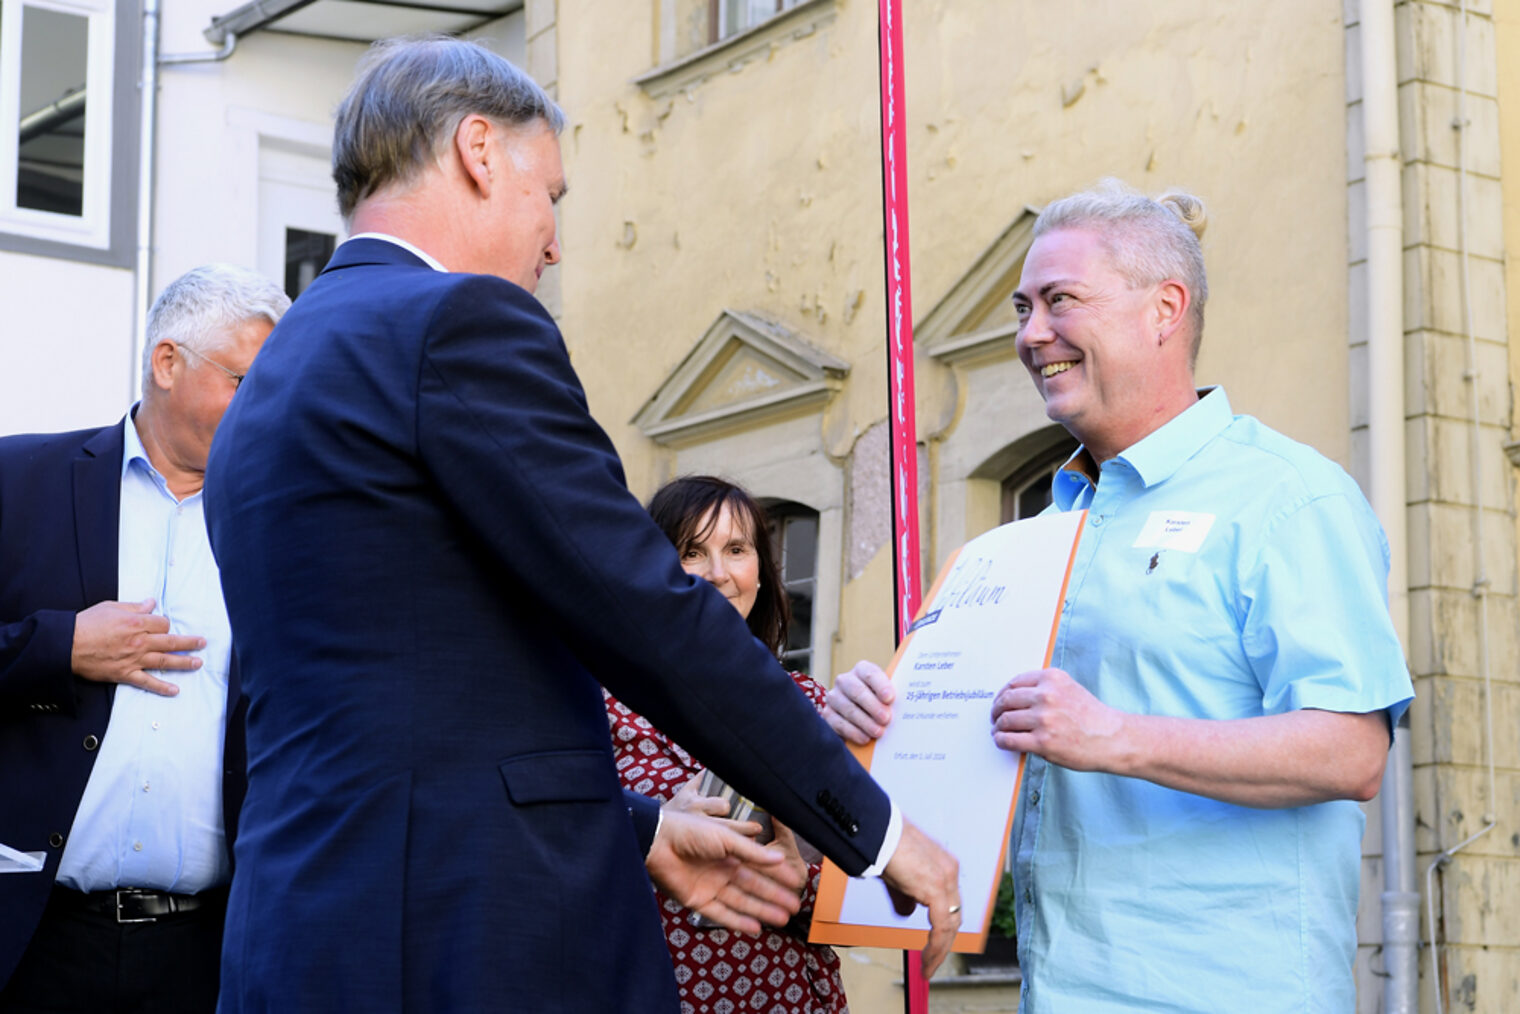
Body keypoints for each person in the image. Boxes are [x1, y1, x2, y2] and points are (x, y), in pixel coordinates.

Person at [202, 36, 959, 1014]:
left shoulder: (274, 380)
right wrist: (880, 830)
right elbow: (647, 608)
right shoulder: (457, 324)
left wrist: (640, 826)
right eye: (547, 195)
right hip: (463, 942)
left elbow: (393, 714)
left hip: (308, 936)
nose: (553, 241)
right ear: (478, 151)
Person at [825, 181, 1415, 1013]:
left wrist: (1116, 737)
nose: (1032, 335)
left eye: (1060, 301)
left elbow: (1352, 752)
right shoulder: (1023, 539)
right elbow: (982, 754)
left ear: (1165, 309)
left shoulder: (1289, 499)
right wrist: (876, 723)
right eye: (1023, 307)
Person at [0, 264, 289, 1013]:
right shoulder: (20, 481)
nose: (269, 408)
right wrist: (58, 647)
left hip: (206, 956)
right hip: (31, 941)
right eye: (245, 381)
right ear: (168, 363)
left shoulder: (287, 524)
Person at [605, 476, 851, 1014]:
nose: (719, 574)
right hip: (646, 992)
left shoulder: (809, 707)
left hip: (786, 997)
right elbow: (547, 853)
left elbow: (865, 908)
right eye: (692, 551)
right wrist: (652, 828)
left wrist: (800, 883)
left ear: (759, 572)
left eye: (736, 550)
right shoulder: (595, 704)